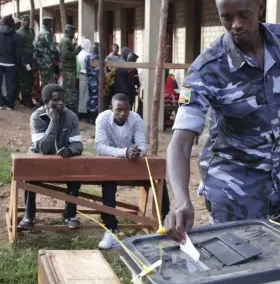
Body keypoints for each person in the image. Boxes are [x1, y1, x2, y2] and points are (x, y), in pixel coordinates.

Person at [165, 0, 280, 244]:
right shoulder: (207, 69)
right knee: (245, 274)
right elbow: (179, 143)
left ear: (259, 6)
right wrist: (181, 200)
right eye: (226, 17)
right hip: (235, 194)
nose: (235, 25)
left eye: (244, 14)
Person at [94, 93, 171, 249]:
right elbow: (99, 146)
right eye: (118, 110)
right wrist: (124, 152)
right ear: (111, 109)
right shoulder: (102, 119)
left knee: (158, 178)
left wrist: (137, 151)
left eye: (126, 109)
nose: (123, 113)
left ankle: (165, 222)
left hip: (133, 163)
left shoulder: (135, 119)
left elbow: (142, 144)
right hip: (113, 164)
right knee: (108, 184)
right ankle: (111, 229)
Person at [19, 83, 83, 230]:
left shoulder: (71, 116)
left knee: (76, 176)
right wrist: (54, 121)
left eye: (63, 100)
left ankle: (70, 215)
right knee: (29, 175)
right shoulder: (36, 117)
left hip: (62, 161)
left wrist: (70, 151)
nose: (60, 103)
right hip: (40, 160)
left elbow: (78, 145)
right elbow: (43, 148)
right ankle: (29, 216)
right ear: (45, 102)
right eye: (56, 100)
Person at [0, 15, 22, 110]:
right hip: (11, 63)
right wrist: (16, 63)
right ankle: (9, 104)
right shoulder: (16, 36)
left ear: (2, 22)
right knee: (11, 83)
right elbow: (18, 52)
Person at [59, 24, 82, 113]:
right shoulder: (65, 41)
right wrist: (76, 51)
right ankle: (70, 109)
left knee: (69, 89)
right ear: (69, 32)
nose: (74, 34)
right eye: (73, 32)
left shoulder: (67, 41)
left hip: (69, 68)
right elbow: (65, 55)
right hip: (68, 69)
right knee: (70, 90)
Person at [17, 15, 36, 108]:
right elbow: (19, 49)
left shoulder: (30, 32)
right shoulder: (19, 33)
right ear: (21, 21)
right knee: (24, 79)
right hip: (23, 59)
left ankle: (28, 97)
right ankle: (24, 99)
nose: (26, 22)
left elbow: (32, 45)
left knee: (29, 79)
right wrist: (23, 62)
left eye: (28, 21)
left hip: (30, 58)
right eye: (24, 21)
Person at [35, 17, 59, 91]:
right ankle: (45, 99)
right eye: (51, 22)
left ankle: (43, 98)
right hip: (47, 62)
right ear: (48, 23)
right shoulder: (47, 34)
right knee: (48, 82)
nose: (52, 24)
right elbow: (53, 48)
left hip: (42, 61)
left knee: (44, 80)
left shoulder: (41, 33)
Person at [76, 37, 91, 118]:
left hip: (81, 74)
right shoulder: (87, 55)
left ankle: (81, 111)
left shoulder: (80, 53)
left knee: (82, 94)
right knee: (85, 94)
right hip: (86, 74)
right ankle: (83, 112)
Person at [86, 42, 100, 124]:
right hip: (95, 80)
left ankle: (89, 117)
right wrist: (100, 83)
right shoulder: (96, 58)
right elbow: (98, 72)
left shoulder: (88, 57)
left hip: (89, 79)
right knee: (95, 98)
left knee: (90, 97)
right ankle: (93, 118)